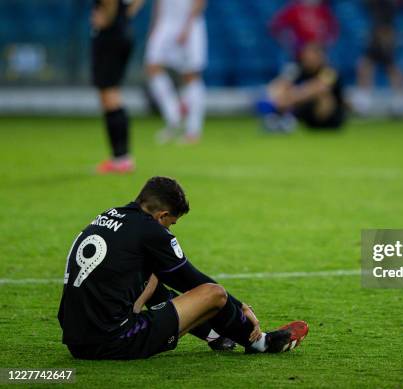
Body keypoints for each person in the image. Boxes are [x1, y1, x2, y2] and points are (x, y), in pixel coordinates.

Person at [58, 176, 308, 359]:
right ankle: (259, 343)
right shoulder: (152, 231)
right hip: (114, 340)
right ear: (161, 215)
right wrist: (241, 305)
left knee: (154, 272)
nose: (169, 229)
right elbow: (192, 280)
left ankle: (214, 336)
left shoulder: (110, 214)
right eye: (171, 223)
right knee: (214, 294)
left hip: (77, 340)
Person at [91, 0, 144, 174]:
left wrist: (107, 18)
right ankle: (120, 157)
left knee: (110, 95)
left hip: (110, 35)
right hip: (122, 33)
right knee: (110, 95)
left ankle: (121, 158)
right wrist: (125, 15)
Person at [146, 0, 208, 144]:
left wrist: (187, 27)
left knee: (191, 75)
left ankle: (193, 130)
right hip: (165, 22)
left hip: (188, 22)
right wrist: (154, 25)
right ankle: (173, 116)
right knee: (152, 66)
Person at [256, 43, 345, 132]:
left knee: (323, 97)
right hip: (306, 112)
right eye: (306, 55)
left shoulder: (329, 71)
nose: (307, 58)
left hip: (331, 117)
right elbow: (279, 84)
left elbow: (318, 88)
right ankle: (279, 121)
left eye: (311, 55)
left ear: (320, 57)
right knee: (281, 92)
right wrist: (279, 96)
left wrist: (290, 98)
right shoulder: (298, 69)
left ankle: (285, 120)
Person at [354, 0, 403, 116]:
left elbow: (387, 25)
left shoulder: (387, 6)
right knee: (366, 65)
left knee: (391, 67)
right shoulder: (373, 5)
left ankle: (401, 101)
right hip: (376, 37)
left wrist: (386, 40)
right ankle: (363, 101)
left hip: (385, 38)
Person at [269, 0, 339, 55]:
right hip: (298, 52)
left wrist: (322, 43)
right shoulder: (294, 10)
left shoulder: (324, 11)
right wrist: (292, 42)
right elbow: (275, 26)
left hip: (319, 52)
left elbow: (333, 30)